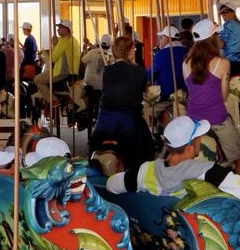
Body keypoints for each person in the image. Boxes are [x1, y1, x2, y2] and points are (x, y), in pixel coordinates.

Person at [106, 115, 240, 207]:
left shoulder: (144, 171)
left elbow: (111, 185)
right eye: (198, 138)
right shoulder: (207, 172)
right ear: (190, 147)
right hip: (197, 245)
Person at [182, 20, 240, 176]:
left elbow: (192, 91)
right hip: (217, 119)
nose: (220, 37)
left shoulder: (186, 63)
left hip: (193, 120)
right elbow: (223, 96)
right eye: (217, 34)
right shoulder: (222, 63)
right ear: (212, 38)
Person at [91, 35, 153, 169]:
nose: (134, 51)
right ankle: (139, 170)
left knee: (95, 141)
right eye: (133, 49)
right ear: (129, 51)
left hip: (105, 119)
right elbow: (144, 91)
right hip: (128, 120)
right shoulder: (138, 71)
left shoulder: (107, 70)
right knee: (147, 144)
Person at [148, 26, 188, 126]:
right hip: (186, 92)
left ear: (167, 38)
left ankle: (152, 130)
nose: (161, 40)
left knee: (145, 110)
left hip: (166, 94)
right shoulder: (187, 51)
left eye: (162, 37)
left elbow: (150, 73)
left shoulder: (163, 54)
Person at [34, 19, 80, 105]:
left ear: (66, 29)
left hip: (63, 71)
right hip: (71, 71)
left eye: (60, 28)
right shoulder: (73, 40)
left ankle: (53, 100)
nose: (58, 30)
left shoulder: (65, 41)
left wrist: (54, 44)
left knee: (37, 79)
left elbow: (53, 58)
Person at [80, 34, 112, 121]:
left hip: (88, 82)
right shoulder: (110, 55)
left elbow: (83, 60)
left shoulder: (93, 52)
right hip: (102, 85)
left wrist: (85, 50)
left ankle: (85, 114)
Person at [218, 3, 240, 77]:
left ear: (233, 12)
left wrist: (214, 37)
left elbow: (220, 44)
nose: (223, 15)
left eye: (226, 12)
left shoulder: (229, 24)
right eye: (221, 13)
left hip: (233, 61)